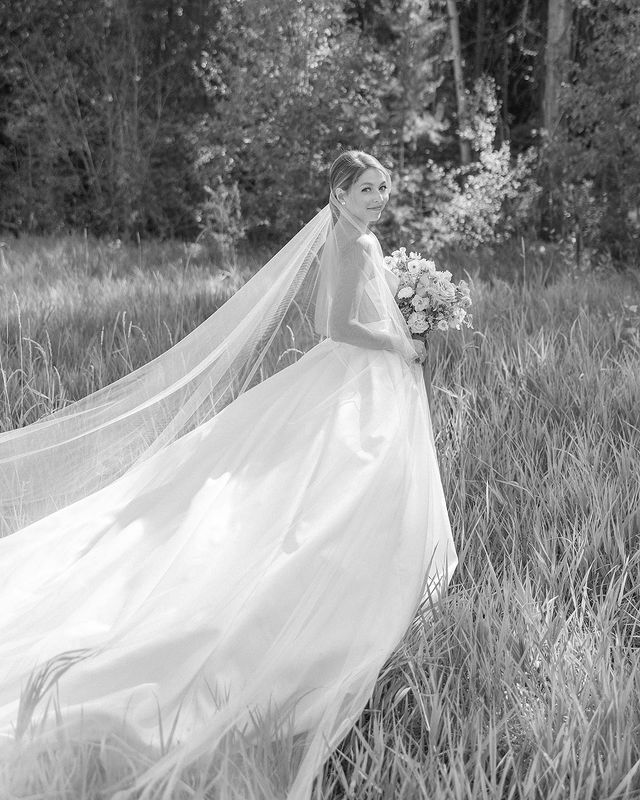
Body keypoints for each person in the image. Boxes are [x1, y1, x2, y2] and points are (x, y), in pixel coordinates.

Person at [0, 151, 457, 799]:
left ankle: (383, 582)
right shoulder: (349, 243)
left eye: (384, 186)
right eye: (367, 187)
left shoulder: (359, 236)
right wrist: (399, 342)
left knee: (352, 488)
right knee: (334, 490)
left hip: (370, 379)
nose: (380, 196)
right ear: (338, 191)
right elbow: (333, 324)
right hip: (358, 375)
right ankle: (339, 606)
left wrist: (406, 320)